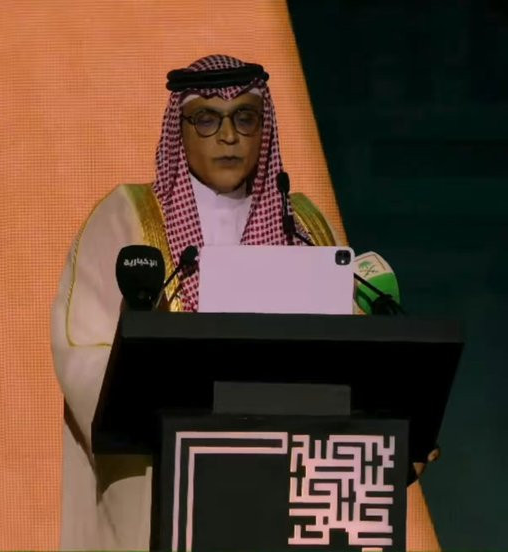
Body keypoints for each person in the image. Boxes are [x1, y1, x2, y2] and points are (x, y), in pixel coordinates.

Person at [50, 54, 435, 550]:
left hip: (292, 485)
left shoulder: (305, 226)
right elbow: (85, 350)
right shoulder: (126, 218)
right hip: (164, 483)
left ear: (263, 127)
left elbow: (351, 347)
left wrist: (392, 420)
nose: (228, 136)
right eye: (207, 119)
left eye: (245, 117)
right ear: (180, 129)